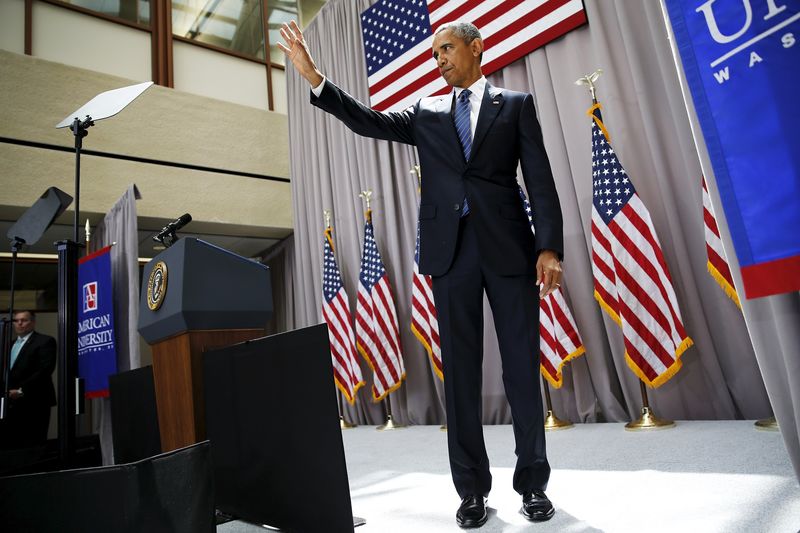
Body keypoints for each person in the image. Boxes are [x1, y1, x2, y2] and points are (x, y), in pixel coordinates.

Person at [279, 20, 563, 527]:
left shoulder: (514, 105)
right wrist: (315, 76)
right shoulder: (428, 112)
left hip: (509, 250)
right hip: (448, 255)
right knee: (460, 377)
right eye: (435, 54)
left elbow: (539, 179)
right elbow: (370, 122)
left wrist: (548, 249)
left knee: (522, 367)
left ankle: (533, 484)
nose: (440, 59)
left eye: (447, 49)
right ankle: (472, 492)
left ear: (476, 49)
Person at [1, 311, 57, 449]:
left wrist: (21, 390)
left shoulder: (45, 341)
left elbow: (45, 370)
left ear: (33, 322)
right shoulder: (9, 344)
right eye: (16, 320)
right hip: (10, 403)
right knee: (11, 444)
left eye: (24, 320)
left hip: (34, 401)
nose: (19, 323)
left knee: (33, 444)